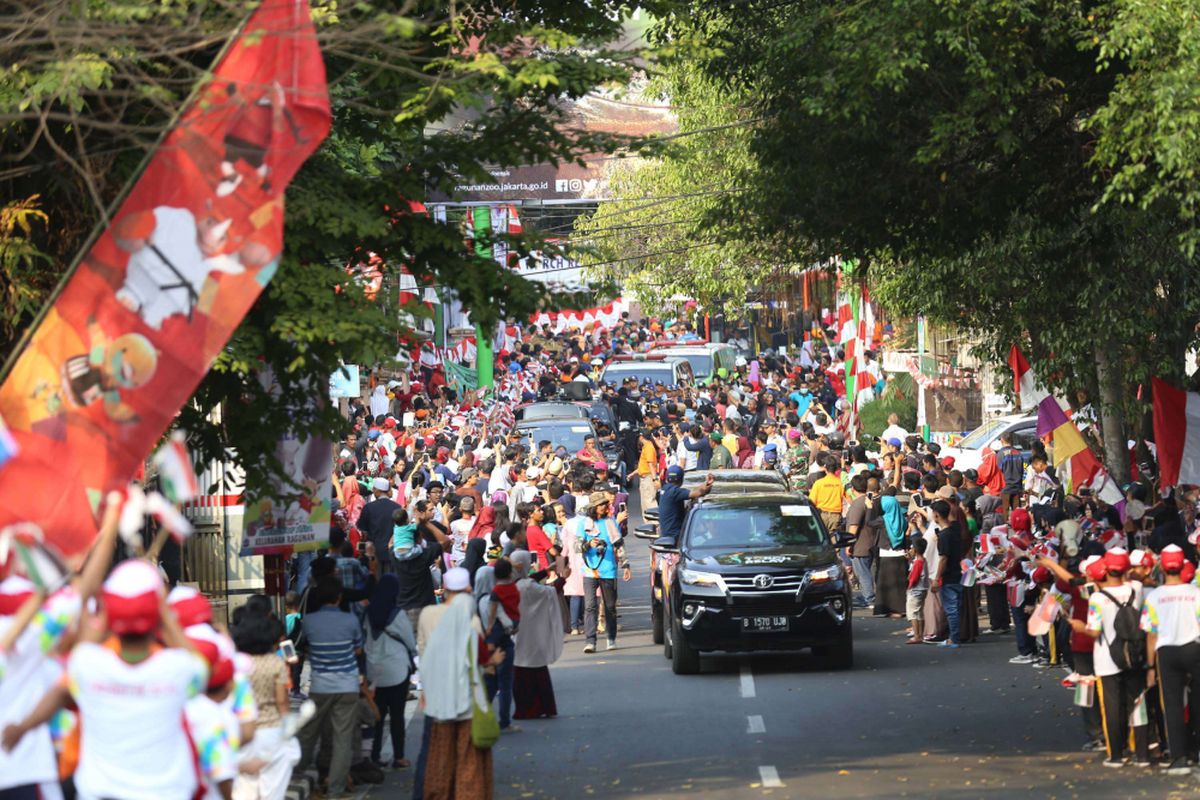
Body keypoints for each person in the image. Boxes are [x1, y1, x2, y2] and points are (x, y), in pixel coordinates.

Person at [4, 559, 207, 800]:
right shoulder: (180, 669)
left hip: (100, 794)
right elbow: (201, 665)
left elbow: (61, 692)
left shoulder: (87, 665)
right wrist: (164, 614)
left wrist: (23, 727)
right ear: (159, 616)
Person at [417, 568, 500, 800]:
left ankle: (436, 793)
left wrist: (424, 687)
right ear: (467, 589)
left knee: (438, 753)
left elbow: (423, 652)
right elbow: (478, 659)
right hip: (465, 697)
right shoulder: (470, 619)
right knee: (467, 755)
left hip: (438, 694)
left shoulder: (427, 614)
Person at [1071, 548, 1149, 767]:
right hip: (1135, 656)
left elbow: (1094, 631)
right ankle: (1141, 753)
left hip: (1106, 659)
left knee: (1112, 708)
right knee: (1137, 703)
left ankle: (1116, 754)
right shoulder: (1137, 589)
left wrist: (1079, 627)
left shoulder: (1096, 598)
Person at [297, 576, 363, 798]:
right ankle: (335, 789)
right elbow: (358, 649)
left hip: (320, 685)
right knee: (343, 738)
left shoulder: (309, 621)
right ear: (339, 597)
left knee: (308, 733)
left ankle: (296, 774)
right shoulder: (351, 620)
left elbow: (304, 647)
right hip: (347, 685)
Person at [1140, 545, 1200, 774]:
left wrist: (1150, 667)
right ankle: (1196, 749)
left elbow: (1151, 634)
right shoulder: (1195, 593)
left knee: (1172, 705)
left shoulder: (1155, 596)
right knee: (1197, 702)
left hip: (1167, 654)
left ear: (1163, 567)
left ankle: (1179, 758)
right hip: (1194, 650)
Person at [231, 607, 301, 800]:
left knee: (245, 789)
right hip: (271, 729)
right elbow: (282, 701)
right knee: (273, 788)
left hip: (242, 731)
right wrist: (288, 726)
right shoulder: (274, 663)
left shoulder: (235, 663)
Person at [363, 574, 417, 770]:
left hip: (374, 672)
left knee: (377, 716)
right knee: (397, 715)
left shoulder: (367, 613)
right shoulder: (398, 614)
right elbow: (410, 642)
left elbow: (365, 641)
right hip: (397, 671)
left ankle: (375, 755)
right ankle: (399, 757)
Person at [511, 550, 566, 720]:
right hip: (532, 634)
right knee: (537, 670)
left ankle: (525, 708)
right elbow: (549, 592)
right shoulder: (527, 587)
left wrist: (547, 570)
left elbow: (528, 581)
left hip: (518, 635)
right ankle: (542, 706)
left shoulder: (510, 583)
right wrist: (563, 577)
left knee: (521, 671)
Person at [578, 491, 631, 653]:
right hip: (590, 571)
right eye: (601, 505)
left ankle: (611, 638)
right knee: (590, 606)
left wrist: (626, 565)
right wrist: (588, 545)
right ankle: (590, 641)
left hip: (608, 570)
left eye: (604, 504)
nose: (604, 507)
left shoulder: (611, 522)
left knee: (610, 606)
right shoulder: (584, 524)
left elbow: (618, 545)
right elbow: (576, 546)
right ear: (593, 507)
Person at [928, 499, 963, 649]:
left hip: (949, 575)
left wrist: (937, 578)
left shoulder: (944, 535)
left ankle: (954, 638)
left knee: (951, 609)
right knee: (955, 607)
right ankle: (953, 636)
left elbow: (943, 558)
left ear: (936, 515)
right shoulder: (955, 529)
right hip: (959, 572)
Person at [657, 465, 714, 543]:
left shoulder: (664, 490)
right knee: (709, 539)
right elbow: (698, 493)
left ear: (667, 479)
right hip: (676, 538)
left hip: (668, 536)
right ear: (681, 480)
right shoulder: (675, 492)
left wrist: (705, 483)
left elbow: (694, 491)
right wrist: (708, 484)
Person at [360, 477, 402, 573]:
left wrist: (362, 552)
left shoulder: (368, 507)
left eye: (374, 489)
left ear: (378, 490)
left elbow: (363, 533)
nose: (373, 492)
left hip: (373, 554)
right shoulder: (397, 507)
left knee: (376, 582)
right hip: (392, 553)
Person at [810, 455, 845, 534]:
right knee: (834, 540)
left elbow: (812, 502)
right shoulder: (840, 483)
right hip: (836, 517)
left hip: (821, 515)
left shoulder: (819, 483)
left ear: (825, 468)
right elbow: (849, 499)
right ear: (836, 468)